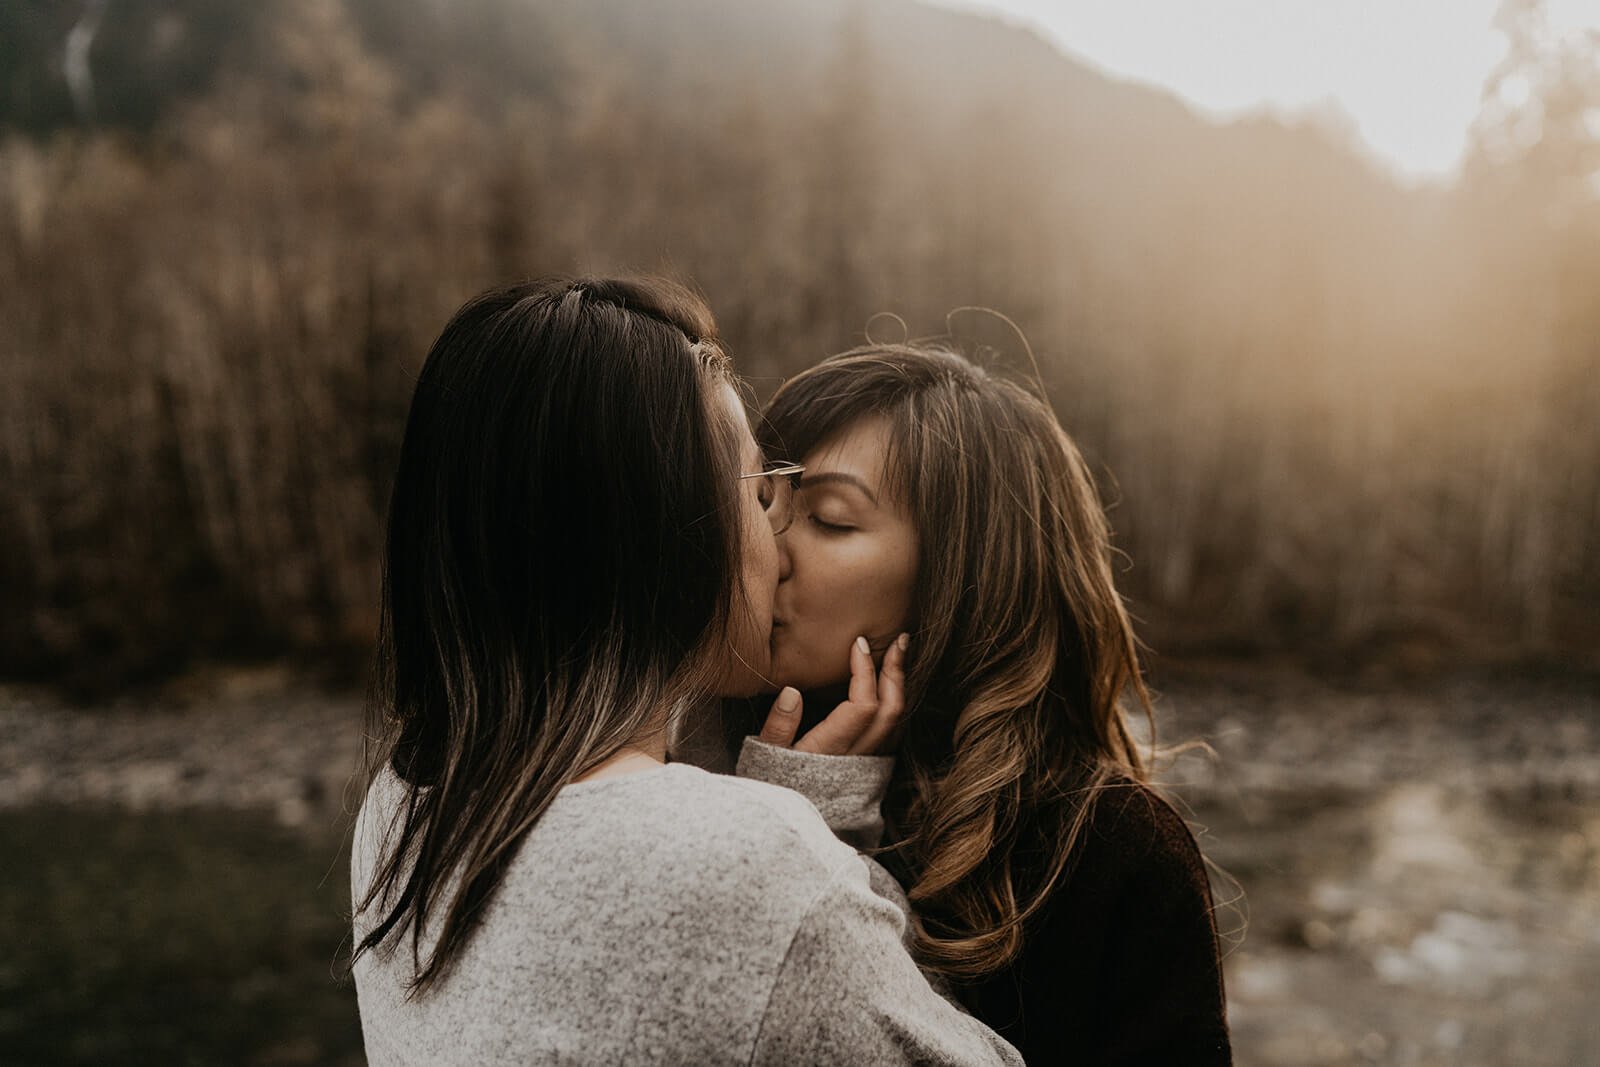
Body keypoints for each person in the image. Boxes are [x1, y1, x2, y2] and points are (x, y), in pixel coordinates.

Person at [347, 279, 1022, 1066]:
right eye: (758, 490)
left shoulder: (399, 812)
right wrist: (808, 826)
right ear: (662, 531)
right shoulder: (749, 865)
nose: (779, 536)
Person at [723, 342, 1233, 1065]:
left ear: (957, 581)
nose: (771, 548)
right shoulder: (679, 748)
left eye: (831, 519)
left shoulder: (1108, 850)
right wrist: (785, 808)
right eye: (767, 502)